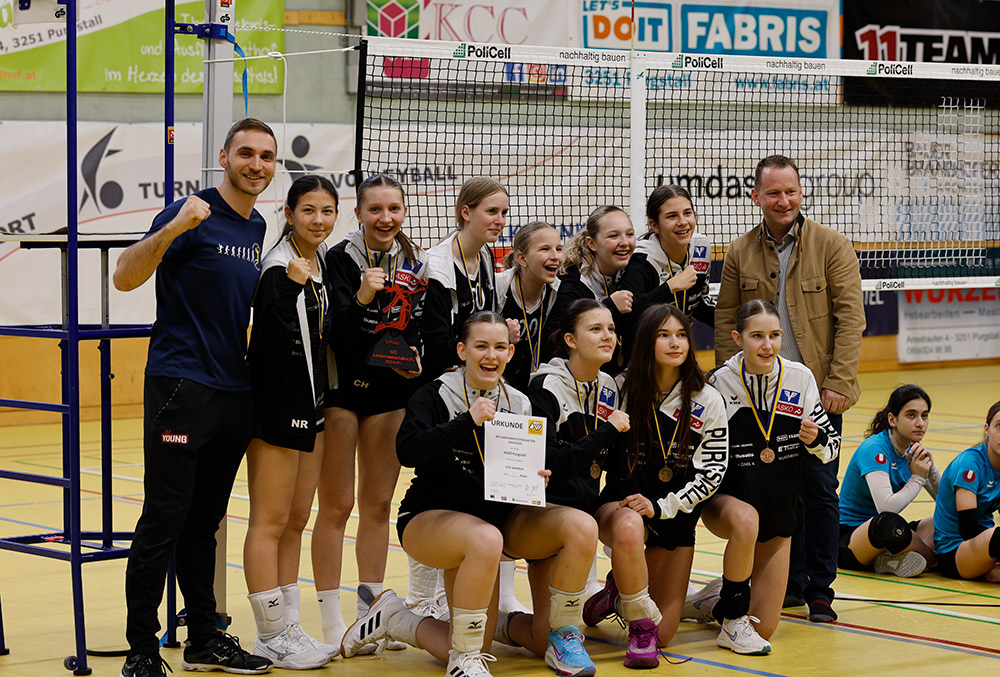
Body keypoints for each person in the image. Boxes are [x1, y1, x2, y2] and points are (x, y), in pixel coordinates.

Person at [112, 118, 278, 677]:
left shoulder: (257, 228)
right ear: (225, 157)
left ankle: (204, 637)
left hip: (234, 392)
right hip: (181, 386)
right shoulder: (191, 212)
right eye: (246, 153)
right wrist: (175, 227)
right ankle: (141, 649)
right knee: (164, 517)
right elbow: (125, 276)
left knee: (205, 523)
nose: (256, 164)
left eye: (266, 156)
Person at [338, 311, 542, 677]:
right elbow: (408, 451)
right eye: (481, 346)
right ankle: (462, 663)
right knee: (486, 541)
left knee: (471, 642)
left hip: (483, 528)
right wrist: (466, 421)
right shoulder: (433, 394)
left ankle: (395, 618)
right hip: (428, 518)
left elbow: (509, 476)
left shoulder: (519, 404)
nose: (491, 356)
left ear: (510, 353)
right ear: (462, 351)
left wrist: (534, 479)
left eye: (500, 347)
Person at [714, 154, 864, 623]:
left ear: (801, 193)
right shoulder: (739, 251)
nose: (784, 200)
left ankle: (820, 590)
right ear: (756, 197)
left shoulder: (833, 246)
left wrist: (838, 382)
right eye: (774, 193)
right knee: (778, 494)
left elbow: (851, 319)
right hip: (758, 399)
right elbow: (726, 320)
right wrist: (727, 385)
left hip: (815, 393)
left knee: (820, 488)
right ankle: (789, 586)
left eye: (791, 191)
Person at [687, 299, 839, 655]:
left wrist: (816, 439)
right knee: (747, 519)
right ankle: (731, 621)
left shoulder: (800, 378)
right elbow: (696, 450)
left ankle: (710, 601)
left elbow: (831, 447)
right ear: (737, 339)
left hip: (778, 510)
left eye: (774, 335)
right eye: (757, 336)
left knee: (765, 627)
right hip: (729, 504)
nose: (767, 345)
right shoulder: (719, 383)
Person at [317, 174, 427, 651]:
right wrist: (363, 296)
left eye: (393, 209)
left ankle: (370, 616)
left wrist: (416, 361)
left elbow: (419, 326)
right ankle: (330, 622)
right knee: (337, 505)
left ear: (404, 211)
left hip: (390, 393)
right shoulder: (340, 258)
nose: (385, 218)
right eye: (375, 209)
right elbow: (335, 334)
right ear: (359, 213)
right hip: (343, 391)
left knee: (379, 505)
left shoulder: (416, 261)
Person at [584, 304, 728, 668]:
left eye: (681, 335)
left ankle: (618, 591)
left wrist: (662, 506)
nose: (675, 343)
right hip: (621, 507)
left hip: (674, 515)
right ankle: (638, 625)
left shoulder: (707, 398)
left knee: (665, 635)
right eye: (664, 335)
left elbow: (712, 473)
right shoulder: (619, 388)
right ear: (647, 341)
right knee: (630, 526)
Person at [494, 298, 630, 675]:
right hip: (532, 514)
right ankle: (567, 633)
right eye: (595, 329)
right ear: (570, 340)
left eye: (611, 329)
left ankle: (500, 625)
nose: (608, 336)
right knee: (582, 527)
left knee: (540, 641)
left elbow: (609, 461)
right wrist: (606, 431)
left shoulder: (607, 386)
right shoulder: (545, 388)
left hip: (575, 519)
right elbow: (550, 464)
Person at [242, 175, 339, 670]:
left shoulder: (321, 264)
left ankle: (290, 628)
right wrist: (289, 286)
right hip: (277, 408)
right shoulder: (279, 267)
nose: (318, 220)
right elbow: (265, 345)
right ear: (289, 213)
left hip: (313, 407)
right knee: (270, 521)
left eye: (327, 211)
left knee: (297, 520)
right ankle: (269, 635)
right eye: (308, 211)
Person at [418, 177, 525, 616]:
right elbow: (433, 340)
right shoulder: (437, 265)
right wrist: (483, 346)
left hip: (475, 386)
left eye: (504, 212)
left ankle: (488, 595)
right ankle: (421, 598)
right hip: (442, 390)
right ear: (466, 212)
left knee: (487, 485)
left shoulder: (485, 260)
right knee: (436, 487)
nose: (500, 220)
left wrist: (499, 336)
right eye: (491, 212)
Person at [839, 385, 939, 577]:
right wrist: (918, 478)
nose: (920, 423)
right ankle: (933, 560)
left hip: (889, 533)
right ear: (892, 419)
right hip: (850, 539)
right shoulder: (875, 448)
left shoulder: (913, 450)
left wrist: (931, 470)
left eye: (924, 416)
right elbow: (887, 508)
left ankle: (891, 558)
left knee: (948, 518)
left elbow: (948, 504)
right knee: (889, 523)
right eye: (911, 415)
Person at [549, 206, 636, 374]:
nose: (625, 242)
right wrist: (610, 306)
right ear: (592, 243)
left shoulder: (634, 270)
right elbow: (555, 340)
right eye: (614, 236)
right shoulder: (571, 282)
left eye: (630, 234)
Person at [619, 185, 714, 331]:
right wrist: (670, 287)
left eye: (687, 213)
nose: (683, 222)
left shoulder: (701, 247)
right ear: (654, 225)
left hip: (678, 338)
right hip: (643, 342)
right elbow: (626, 319)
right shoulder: (642, 260)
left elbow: (697, 303)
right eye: (672, 216)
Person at [932, 400, 1000, 582]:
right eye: (999, 426)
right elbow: (968, 529)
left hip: (985, 546)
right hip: (954, 552)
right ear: (987, 429)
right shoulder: (970, 464)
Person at [496, 221, 563, 391]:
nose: (555, 256)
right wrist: (500, 334)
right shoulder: (498, 287)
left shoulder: (557, 292)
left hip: (529, 387)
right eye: (545, 249)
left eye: (559, 249)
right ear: (522, 258)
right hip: (494, 385)